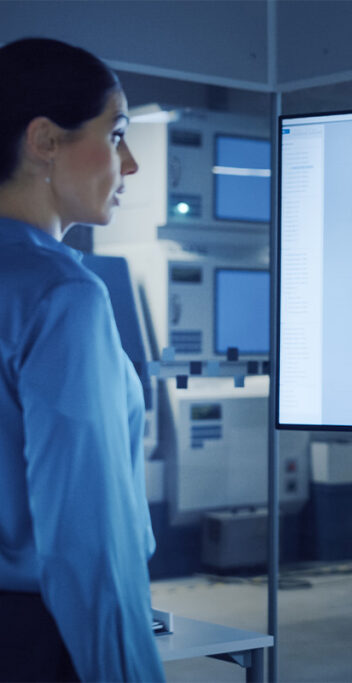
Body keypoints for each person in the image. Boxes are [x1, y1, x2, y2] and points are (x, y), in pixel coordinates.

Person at [0, 38, 165, 681]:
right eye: (116, 133)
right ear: (44, 141)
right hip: (37, 636)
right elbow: (85, 542)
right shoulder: (61, 294)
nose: (129, 165)